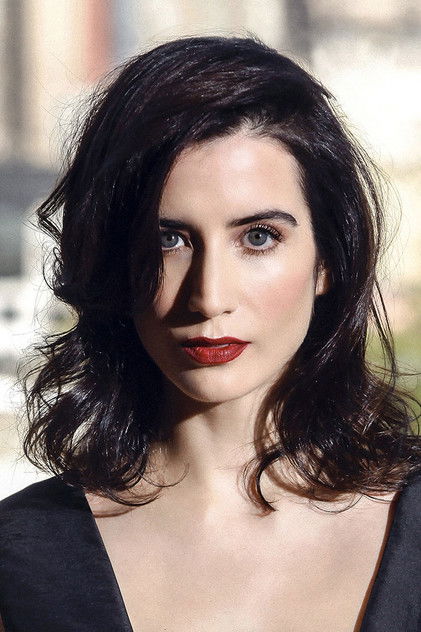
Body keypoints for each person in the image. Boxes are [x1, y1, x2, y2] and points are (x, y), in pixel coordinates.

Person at [0, 35, 420, 632]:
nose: (209, 296)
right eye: (168, 240)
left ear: (328, 257)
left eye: (258, 237)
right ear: (115, 260)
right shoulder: (21, 562)